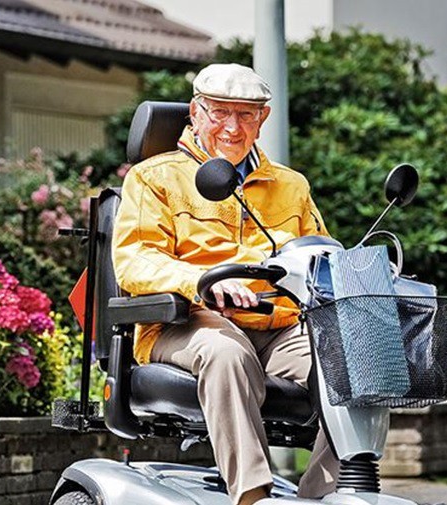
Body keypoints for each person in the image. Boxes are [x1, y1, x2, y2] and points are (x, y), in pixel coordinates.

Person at [112, 63, 338, 505]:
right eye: (219, 113)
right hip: (188, 322)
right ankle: (252, 496)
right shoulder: (154, 178)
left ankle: (325, 497)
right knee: (226, 352)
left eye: (246, 115)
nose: (233, 128)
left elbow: (319, 253)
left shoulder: (291, 185)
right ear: (195, 113)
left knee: (352, 363)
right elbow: (134, 261)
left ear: (263, 118)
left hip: (278, 324)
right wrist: (199, 282)